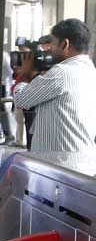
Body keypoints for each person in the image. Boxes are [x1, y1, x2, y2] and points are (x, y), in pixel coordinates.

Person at [12, 18, 96, 155]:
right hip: (82, 157)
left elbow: (21, 99)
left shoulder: (62, 72)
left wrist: (25, 74)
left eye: (53, 43)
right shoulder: (90, 71)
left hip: (59, 162)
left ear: (65, 44)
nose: (50, 49)